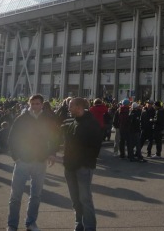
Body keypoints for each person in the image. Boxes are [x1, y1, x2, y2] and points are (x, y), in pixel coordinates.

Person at [6, 94, 58, 231]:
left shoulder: (47, 119)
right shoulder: (21, 119)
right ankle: (12, 225)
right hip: (22, 161)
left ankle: (31, 222)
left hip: (40, 161)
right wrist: (15, 157)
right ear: (29, 104)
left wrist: (52, 153)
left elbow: (54, 138)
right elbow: (12, 138)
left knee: (36, 195)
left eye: (37, 103)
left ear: (42, 104)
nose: (34, 106)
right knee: (15, 196)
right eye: (32, 103)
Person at [62, 97, 103, 231]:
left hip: (83, 167)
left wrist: (84, 162)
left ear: (79, 107)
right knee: (75, 199)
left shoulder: (91, 123)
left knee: (85, 199)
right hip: (70, 166)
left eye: (71, 106)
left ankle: (90, 227)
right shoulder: (74, 121)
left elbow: (95, 146)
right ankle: (79, 223)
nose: (69, 108)